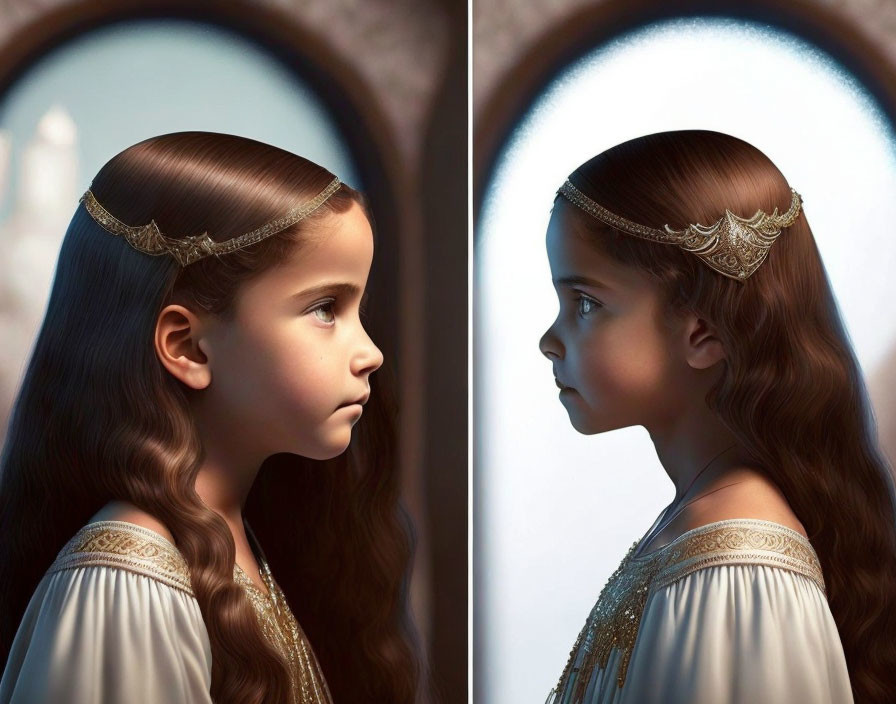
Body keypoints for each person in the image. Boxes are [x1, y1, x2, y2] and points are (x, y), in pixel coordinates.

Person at [0, 131, 420, 703]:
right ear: (188, 346)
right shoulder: (129, 577)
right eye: (326, 308)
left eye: (357, 310)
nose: (369, 352)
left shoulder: (241, 538)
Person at [538, 130, 896, 703]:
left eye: (585, 303)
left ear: (701, 332)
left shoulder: (737, 572)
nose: (549, 341)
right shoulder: (698, 530)